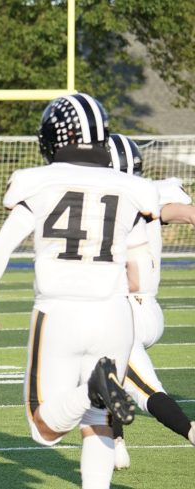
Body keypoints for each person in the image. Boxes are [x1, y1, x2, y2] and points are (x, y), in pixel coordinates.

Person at [0, 93, 160, 489]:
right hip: (115, 314)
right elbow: (141, 274)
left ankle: (91, 390)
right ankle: (96, 396)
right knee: (99, 421)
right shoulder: (132, 188)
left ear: (56, 137)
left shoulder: (38, 182)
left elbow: (0, 249)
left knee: (45, 428)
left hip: (59, 312)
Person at [107, 133, 195, 469]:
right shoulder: (151, 193)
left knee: (144, 390)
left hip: (123, 312)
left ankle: (188, 430)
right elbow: (187, 213)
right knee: (104, 372)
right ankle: (115, 442)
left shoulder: (101, 203)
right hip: (151, 312)